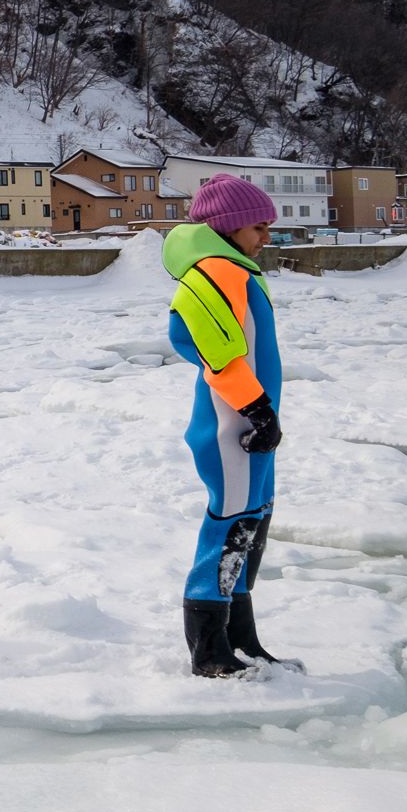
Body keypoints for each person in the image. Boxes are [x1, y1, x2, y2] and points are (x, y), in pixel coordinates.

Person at [162, 173, 301, 677]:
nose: (267, 238)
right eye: (260, 227)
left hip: (252, 423)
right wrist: (257, 410)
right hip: (233, 427)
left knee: (253, 519)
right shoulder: (216, 271)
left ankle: (240, 638)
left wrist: (264, 412)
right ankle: (208, 649)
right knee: (232, 522)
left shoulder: (237, 270)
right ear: (229, 226)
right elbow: (216, 353)